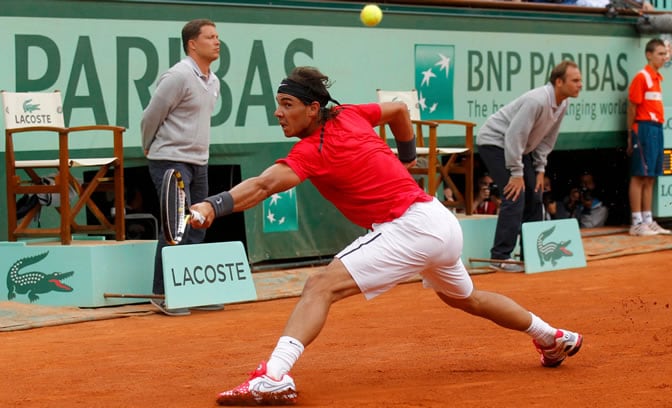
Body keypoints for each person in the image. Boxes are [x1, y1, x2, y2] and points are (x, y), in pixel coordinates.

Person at [189, 66, 583, 406]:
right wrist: (408, 156)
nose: (278, 113)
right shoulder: (350, 115)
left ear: (313, 109)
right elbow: (398, 111)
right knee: (468, 298)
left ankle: (274, 374)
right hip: (438, 221)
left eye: (287, 105)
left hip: (410, 226)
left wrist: (211, 205)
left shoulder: (314, 150)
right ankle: (552, 337)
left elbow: (262, 186)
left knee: (319, 286)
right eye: (277, 104)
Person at [141, 19, 224, 316]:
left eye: (217, 36)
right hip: (169, 160)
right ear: (192, 43)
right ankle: (161, 294)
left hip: (199, 162)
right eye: (210, 37)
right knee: (174, 229)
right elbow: (151, 116)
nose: (217, 42)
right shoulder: (177, 77)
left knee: (198, 224)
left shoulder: (213, 81)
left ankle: (192, 291)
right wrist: (148, 145)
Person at [476, 60, 582, 273]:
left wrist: (540, 169)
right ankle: (499, 257)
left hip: (520, 149)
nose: (580, 85)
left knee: (535, 195)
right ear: (559, 82)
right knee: (515, 195)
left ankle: (533, 255)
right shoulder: (537, 100)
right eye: (575, 80)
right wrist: (516, 172)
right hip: (495, 143)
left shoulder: (563, 103)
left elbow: (547, 138)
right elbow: (514, 135)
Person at [627, 38, 672, 237]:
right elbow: (632, 107)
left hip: (657, 128)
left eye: (665, 54)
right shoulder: (642, 77)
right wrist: (631, 134)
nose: (664, 57)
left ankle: (648, 219)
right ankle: (636, 222)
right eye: (660, 54)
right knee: (639, 175)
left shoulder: (657, 78)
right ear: (649, 54)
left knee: (651, 176)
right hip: (643, 129)